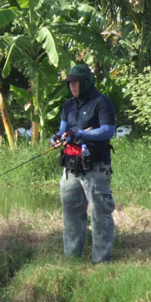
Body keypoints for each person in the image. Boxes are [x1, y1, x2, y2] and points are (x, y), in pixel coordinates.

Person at [51, 64, 116, 263]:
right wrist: (56, 138)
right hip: (71, 166)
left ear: (85, 82)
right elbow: (63, 130)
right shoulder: (68, 105)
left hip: (95, 165)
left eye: (76, 82)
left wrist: (81, 134)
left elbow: (107, 130)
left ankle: (101, 260)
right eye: (70, 83)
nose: (72, 86)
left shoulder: (102, 102)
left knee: (100, 214)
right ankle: (72, 259)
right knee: (71, 214)